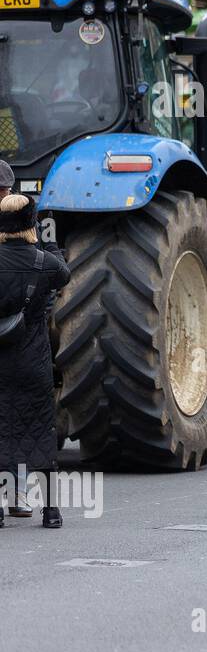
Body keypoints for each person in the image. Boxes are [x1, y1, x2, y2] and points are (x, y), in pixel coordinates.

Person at [0, 193, 70, 529]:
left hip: (1, 363)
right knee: (40, 432)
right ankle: (51, 512)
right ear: (31, 223)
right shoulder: (46, 263)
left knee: (2, 430)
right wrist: (49, 243)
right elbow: (65, 275)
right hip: (34, 363)